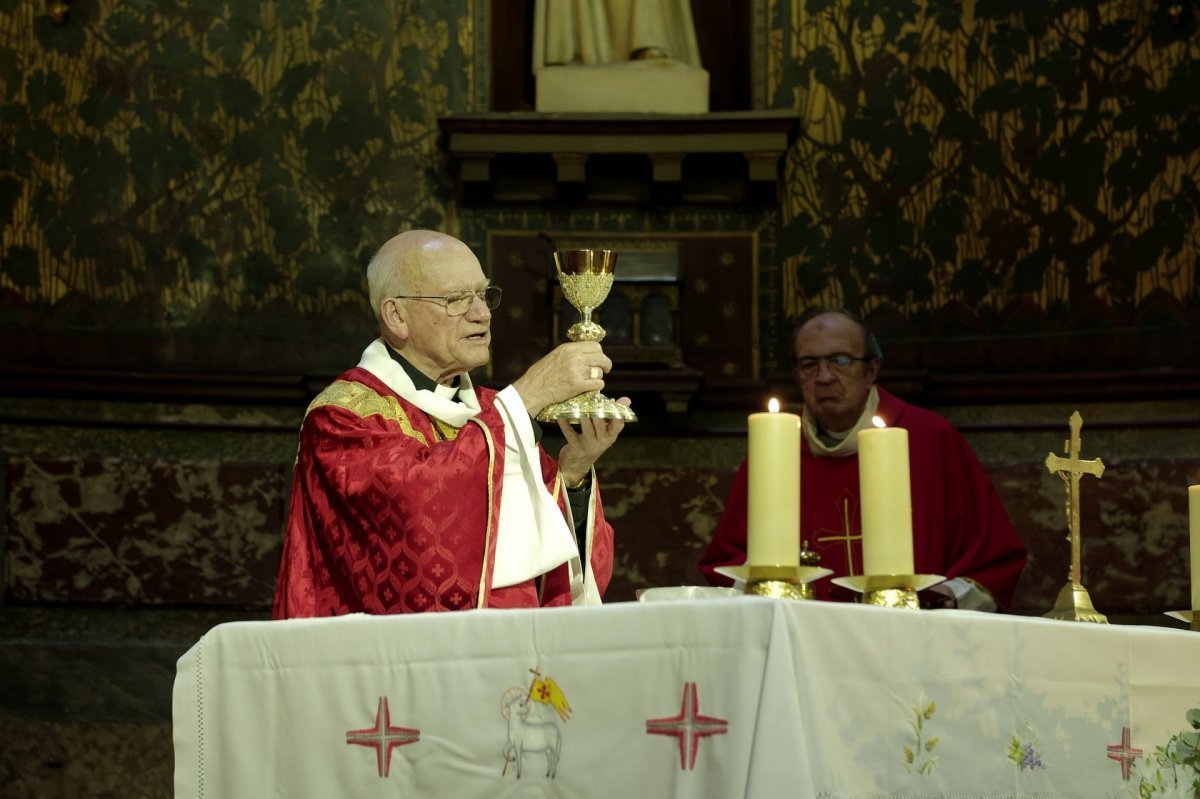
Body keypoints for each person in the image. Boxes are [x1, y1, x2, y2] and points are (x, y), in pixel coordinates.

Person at [273, 230, 629, 617]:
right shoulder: (343, 418)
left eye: (483, 294)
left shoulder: (493, 413)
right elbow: (420, 523)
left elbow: (555, 570)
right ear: (396, 315)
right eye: (456, 299)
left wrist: (572, 475)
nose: (482, 313)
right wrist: (527, 397)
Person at [700, 309, 1027, 611]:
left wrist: (947, 597)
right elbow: (729, 559)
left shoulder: (929, 439)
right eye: (809, 364)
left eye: (840, 360)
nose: (824, 377)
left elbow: (993, 561)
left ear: (872, 370)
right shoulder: (774, 450)